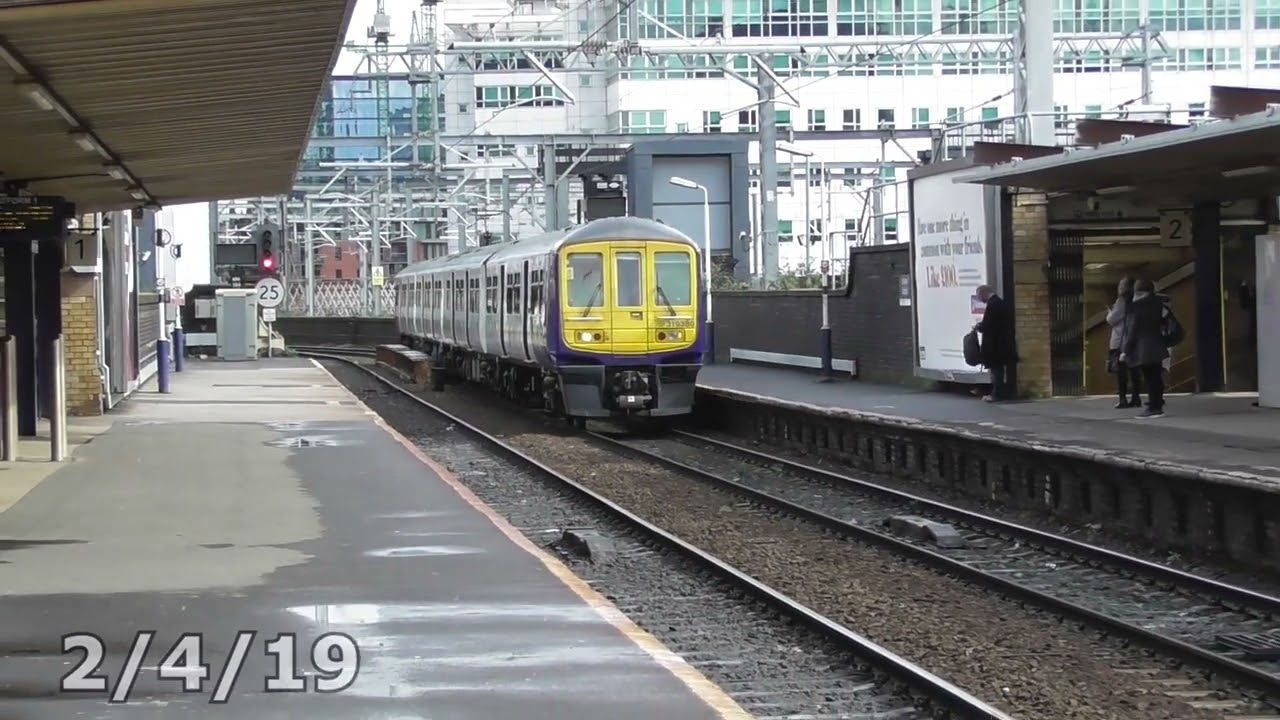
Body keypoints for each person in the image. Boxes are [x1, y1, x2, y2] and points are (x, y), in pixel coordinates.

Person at [1120, 278, 1169, 418]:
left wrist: (1126, 350)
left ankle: (1153, 408)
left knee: (1150, 378)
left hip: (1144, 348)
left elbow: (1132, 330)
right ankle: (1157, 404)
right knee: (1156, 377)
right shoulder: (1159, 304)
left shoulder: (1137, 307)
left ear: (1138, 291)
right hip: (1158, 344)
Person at [974, 284, 1017, 402]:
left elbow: (990, 325)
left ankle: (996, 394)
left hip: (996, 345)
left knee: (996, 370)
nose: (980, 300)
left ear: (984, 293)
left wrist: (980, 327)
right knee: (998, 369)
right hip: (1001, 343)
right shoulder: (998, 302)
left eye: (979, 296)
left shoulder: (993, 304)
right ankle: (998, 393)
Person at [1105, 277, 1142, 409]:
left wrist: (1109, 313)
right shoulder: (1137, 300)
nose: (1119, 287)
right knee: (1134, 370)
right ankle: (1136, 397)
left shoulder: (1121, 301)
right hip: (1134, 341)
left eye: (1122, 285)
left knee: (1121, 373)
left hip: (1120, 341)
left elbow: (1112, 319)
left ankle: (1123, 399)